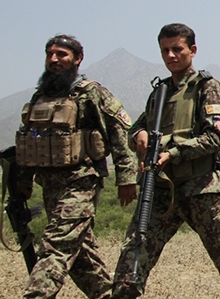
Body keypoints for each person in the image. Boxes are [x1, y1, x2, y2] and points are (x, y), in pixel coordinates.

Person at [112, 24, 220, 298]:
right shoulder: (160, 92)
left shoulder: (207, 87)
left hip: (199, 189)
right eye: (165, 50)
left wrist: (173, 153)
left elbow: (215, 137)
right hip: (160, 190)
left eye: (177, 49)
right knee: (133, 259)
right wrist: (139, 136)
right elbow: (136, 128)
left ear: (192, 50)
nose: (171, 55)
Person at [14, 34, 137, 298]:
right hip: (50, 186)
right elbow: (30, 142)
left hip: (81, 182)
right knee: (81, 257)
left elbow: (118, 134)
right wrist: (23, 181)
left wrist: (126, 177)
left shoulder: (91, 93)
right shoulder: (41, 97)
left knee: (56, 245)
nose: (54, 59)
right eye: (50, 54)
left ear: (77, 59)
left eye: (61, 54)